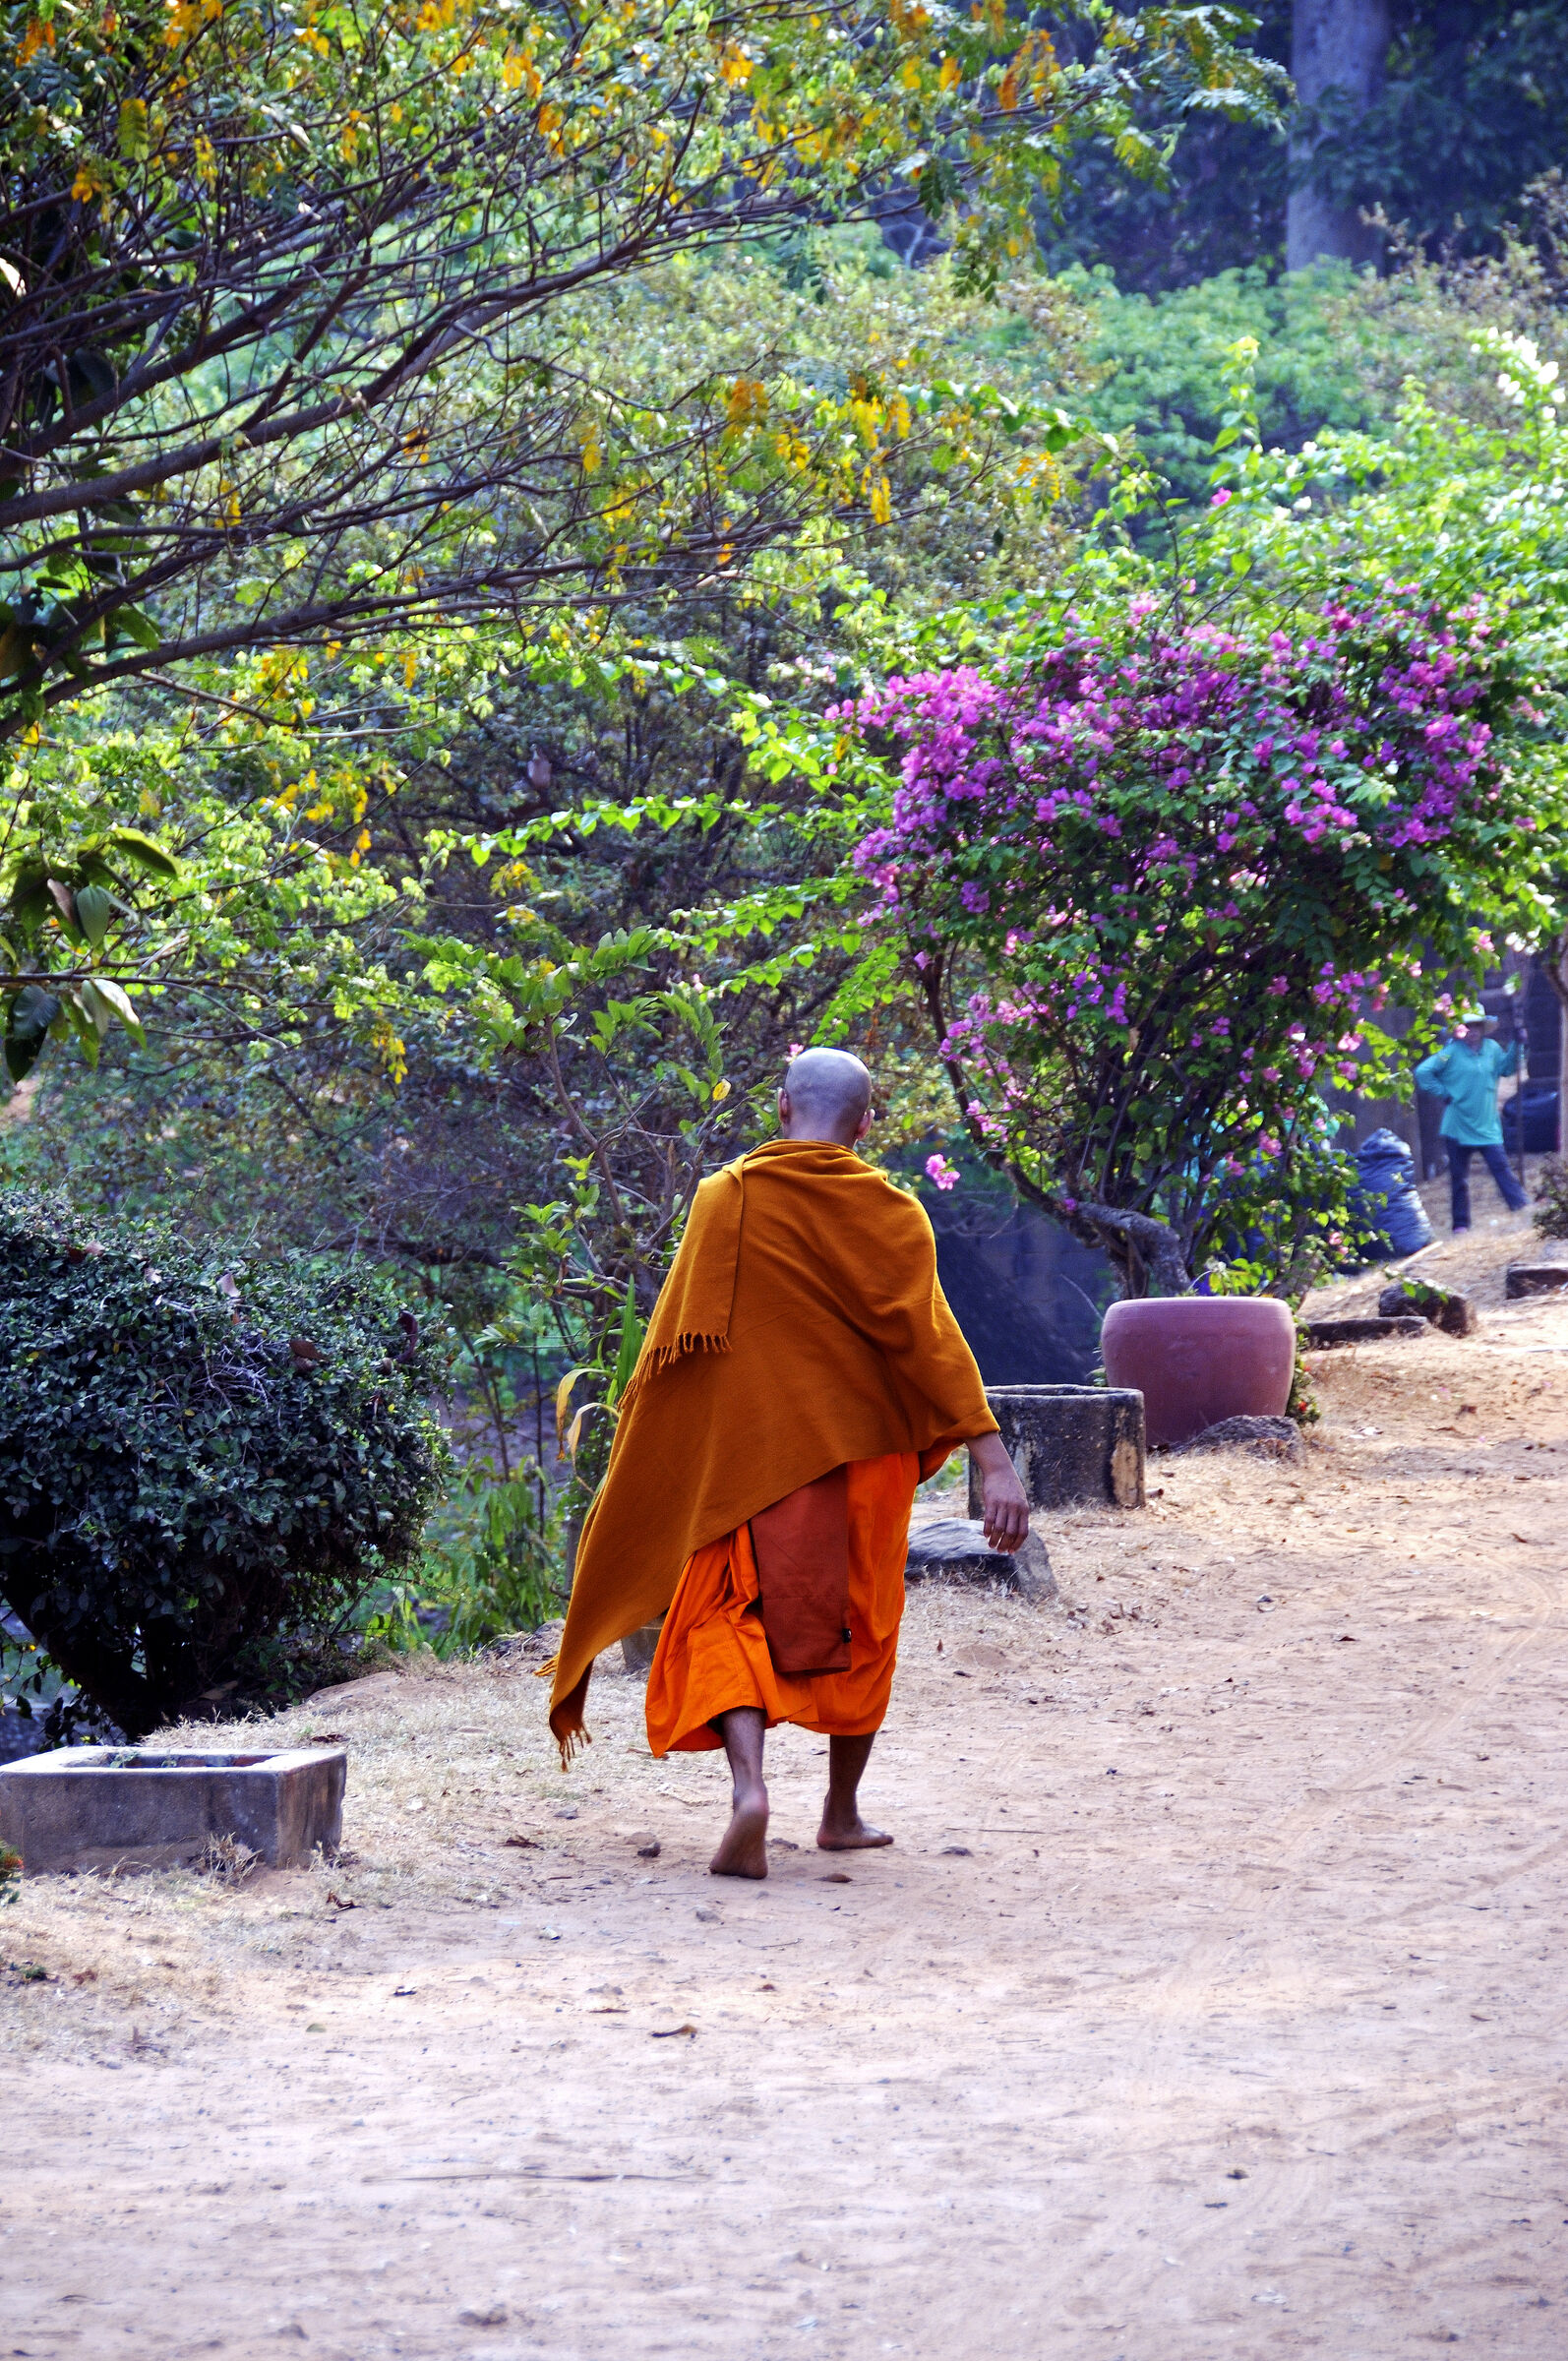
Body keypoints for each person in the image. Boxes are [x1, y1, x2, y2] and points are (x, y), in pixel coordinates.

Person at [545, 1047, 1029, 1878]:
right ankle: (840, 1813)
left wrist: (668, 1457)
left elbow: (682, 1346)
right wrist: (993, 1459)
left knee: (729, 1615)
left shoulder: (724, 1197)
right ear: (867, 1124)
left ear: (780, 1108)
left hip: (753, 1462)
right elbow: (930, 1339)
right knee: (862, 1626)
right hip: (863, 1459)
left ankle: (750, 1792)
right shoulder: (894, 1212)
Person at [1414, 1007, 1528, 1232]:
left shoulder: (1492, 1049)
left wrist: (1518, 1044)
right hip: (1457, 1125)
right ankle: (1460, 1225)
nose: (1472, 1031)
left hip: (1487, 1125)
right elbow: (1423, 1072)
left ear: (1482, 1028)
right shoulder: (1450, 1052)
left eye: (1476, 1026)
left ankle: (1522, 1209)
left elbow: (1507, 1068)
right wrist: (1442, 1092)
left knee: (1502, 1170)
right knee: (1459, 1178)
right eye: (1467, 1026)